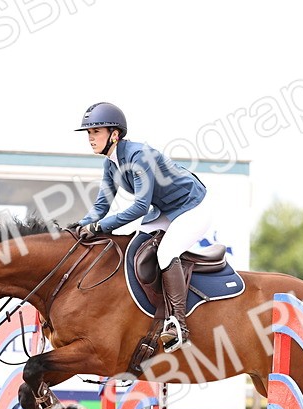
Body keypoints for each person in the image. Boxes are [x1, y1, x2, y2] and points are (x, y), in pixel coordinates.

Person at [74, 102, 212, 352]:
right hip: (166, 210)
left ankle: (178, 325)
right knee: (135, 249)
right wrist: (79, 226)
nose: (90, 138)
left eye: (96, 132)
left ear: (114, 135)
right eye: (89, 133)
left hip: (192, 207)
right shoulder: (111, 163)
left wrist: (98, 227)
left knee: (165, 253)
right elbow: (101, 206)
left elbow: (139, 207)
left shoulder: (139, 156)